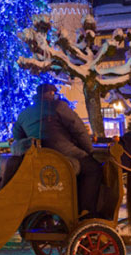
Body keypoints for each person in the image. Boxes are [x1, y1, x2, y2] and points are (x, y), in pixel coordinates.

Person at [13, 83, 101, 218]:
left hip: (39, 158)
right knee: (93, 168)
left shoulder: (24, 114)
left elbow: (18, 138)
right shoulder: (59, 106)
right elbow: (79, 130)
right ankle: (86, 210)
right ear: (51, 94)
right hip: (62, 154)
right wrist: (89, 151)